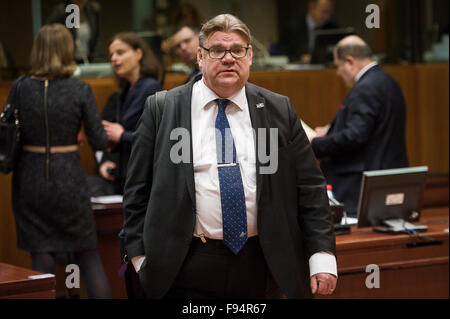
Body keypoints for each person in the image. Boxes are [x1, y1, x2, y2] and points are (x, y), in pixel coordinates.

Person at [122, 14, 337, 299]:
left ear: (249, 57)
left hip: (261, 264)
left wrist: (321, 255)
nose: (228, 58)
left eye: (237, 50)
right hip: (185, 265)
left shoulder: (278, 109)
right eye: (217, 50)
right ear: (200, 57)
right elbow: (136, 190)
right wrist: (138, 257)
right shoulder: (163, 108)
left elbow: (310, 188)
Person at [5, 24, 111, 298]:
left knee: (42, 259)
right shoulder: (80, 89)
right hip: (70, 179)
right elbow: (99, 140)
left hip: (31, 178)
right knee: (88, 256)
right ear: (68, 51)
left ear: (37, 51)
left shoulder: (20, 88)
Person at [311, 35, 409, 217]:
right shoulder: (388, 82)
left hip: (360, 185)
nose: (338, 73)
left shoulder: (366, 87)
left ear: (350, 62)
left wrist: (314, 143)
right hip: (386, 178)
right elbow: (373, 128)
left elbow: (355, 136)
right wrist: (331, 131)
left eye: (338, 66)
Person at [96, 32, 164, 195]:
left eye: (120, 52)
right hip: (128, 174)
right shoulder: (125, 90)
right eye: (111, 54)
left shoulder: (150, 87)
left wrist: (122, 136)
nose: (113, 58)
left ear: (138, 54)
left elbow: (159, 138)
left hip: (146, 178)